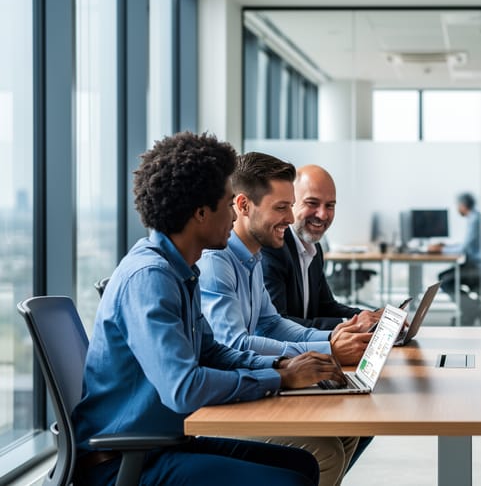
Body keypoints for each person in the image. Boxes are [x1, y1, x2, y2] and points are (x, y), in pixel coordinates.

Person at [72, 132, 338, 486]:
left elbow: (212, 352)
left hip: (166, 443)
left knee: (304, 465)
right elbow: (184, 388)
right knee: (291, 481)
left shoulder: (182, 270)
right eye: (228, 204)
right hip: (125, 462)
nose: (234, 214)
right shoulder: (151, 278)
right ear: (200, 213)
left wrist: (281, 364)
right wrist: (280, 378)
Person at [198, 152, 376, 486]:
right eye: (282, 207)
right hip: (220, 404)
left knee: (350, 428)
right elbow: (234, 343)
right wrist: (329, 352)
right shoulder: (217, 261)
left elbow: (271, 323)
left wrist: (330, 343)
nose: (289, 217)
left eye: (290, 205)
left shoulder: (251, 256)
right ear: (243, 205)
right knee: (326, 451)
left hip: (249, 383)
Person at [262, 164, 378, 330]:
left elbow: (326, 307)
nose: (323, 214)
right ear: (291, 203)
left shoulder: (313, 250)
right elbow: (278, 324)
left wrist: (371, 317)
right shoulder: (273, 248)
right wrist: (348, 325)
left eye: (330, 205)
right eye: (312, 203)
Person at [429, 192, 481, 325]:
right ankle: (472, 306)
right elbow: (466, 244)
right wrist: (446, 246)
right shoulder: (475, 218)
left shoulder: (475, 220)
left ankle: (470, 308)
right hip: (478, 264)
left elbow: (463, 249)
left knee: (445, 280)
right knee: (443, 276)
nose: (457, 209)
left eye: (457, 206)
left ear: (463, 205)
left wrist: (441, 249)